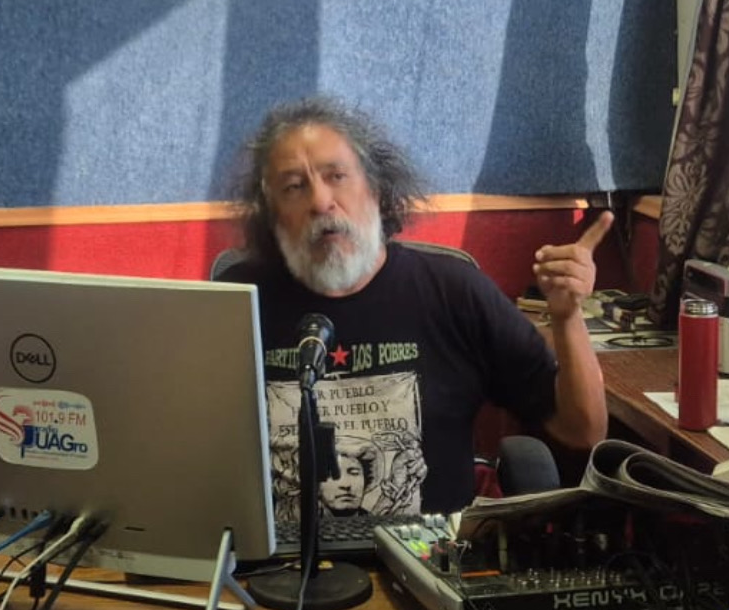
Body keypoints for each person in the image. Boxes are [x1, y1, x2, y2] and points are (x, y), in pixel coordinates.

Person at [219, 96, 610, 519]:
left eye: (337, 176)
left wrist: (568, 317)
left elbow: (583, 431)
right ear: (272, 215)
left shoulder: (454, 292)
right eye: (294, 187)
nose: (320, 201)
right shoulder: (236, 302)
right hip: (282, 558)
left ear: (376, 189)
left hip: (431, 554)